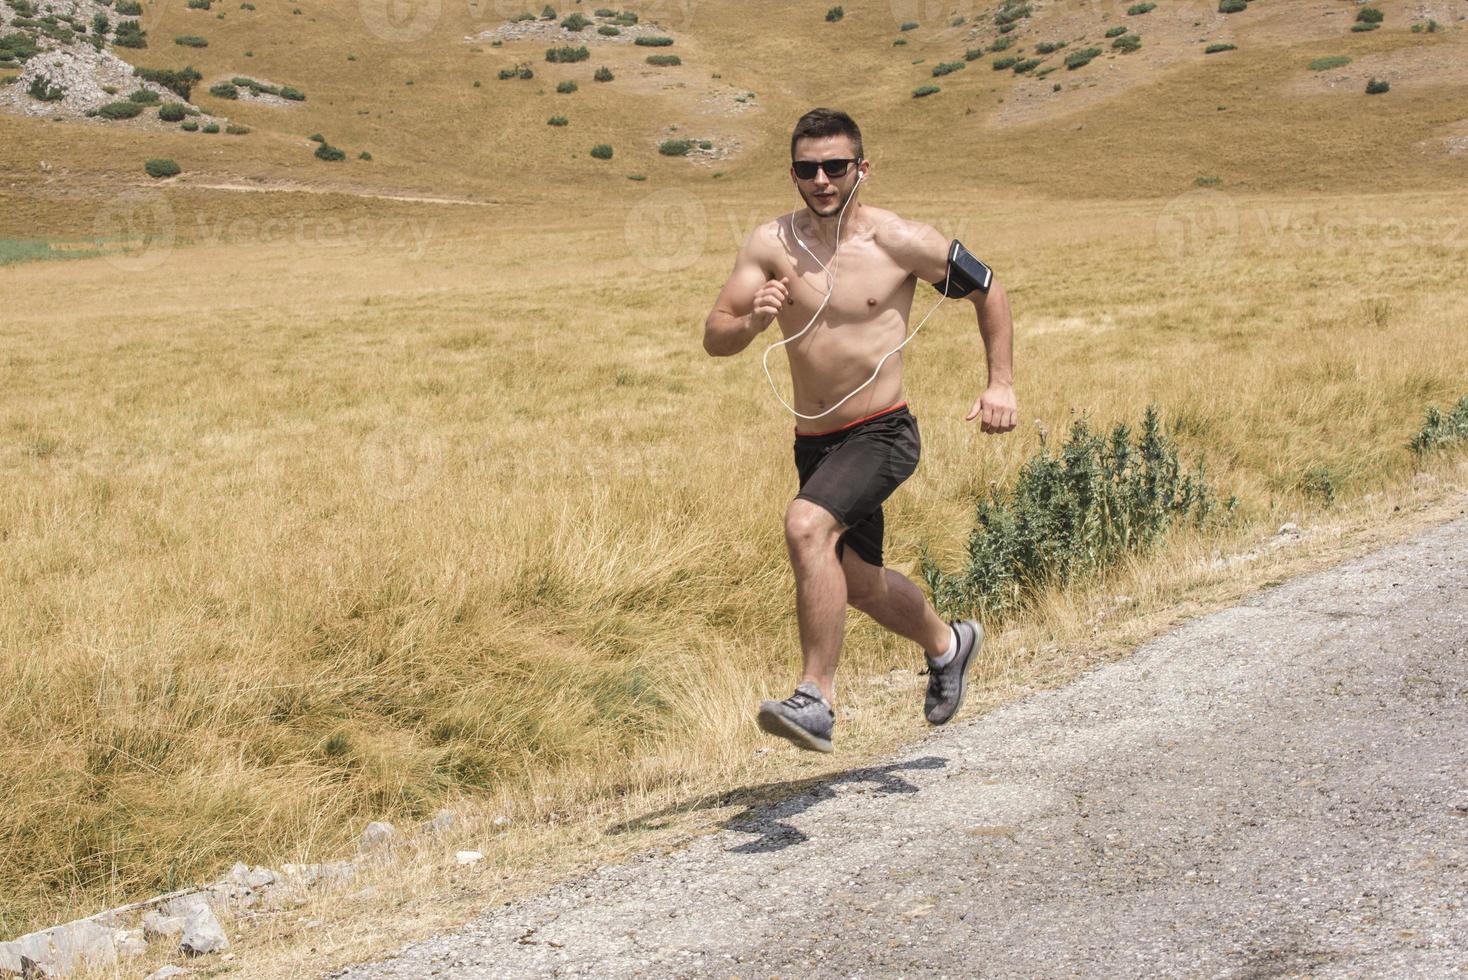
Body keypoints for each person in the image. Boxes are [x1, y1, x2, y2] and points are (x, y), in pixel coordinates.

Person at [701, 107, 1018, 753]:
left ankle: (815, 698)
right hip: (815, 441)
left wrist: (1000, 383)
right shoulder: (770, 246)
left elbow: (988, 290)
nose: (821, 179)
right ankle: (949, 644)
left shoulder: (899, 241)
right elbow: (716, 335)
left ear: (860, 168)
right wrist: (752, 323)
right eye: (807, 167)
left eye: (835, 166)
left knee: (805, 526)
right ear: (792, 172)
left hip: (882, 430)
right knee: (860, 584)